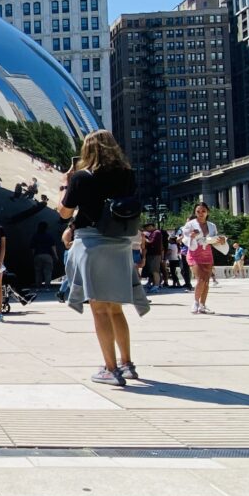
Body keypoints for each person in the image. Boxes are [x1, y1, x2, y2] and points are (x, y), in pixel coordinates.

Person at [58, 130, 149, 387]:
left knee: (99, 309)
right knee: (116, 308)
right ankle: (126, 364)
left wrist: (66, 184)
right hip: (120, 244)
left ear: (88, 150)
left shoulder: (81, 178)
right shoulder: (127, 175)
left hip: (93, 244)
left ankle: (110, 370)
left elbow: (64, 212)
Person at [181, 202, 228, 315]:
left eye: (203, 211)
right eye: (198, 211)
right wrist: (192, 237)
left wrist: (221, 240)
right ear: (195, 212)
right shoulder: (190, 224)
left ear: (207, 212)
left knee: (206, 281)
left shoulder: (211, 225)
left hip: (207, 252)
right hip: (194, 252)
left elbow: (214, 238)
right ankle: (196, 302)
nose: (201, 213)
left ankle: (202, 305)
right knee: (200, 279)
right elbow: (185, 239)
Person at [30, 221, 57, 291]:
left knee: (38, 272)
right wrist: (55, 256)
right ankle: (47, 287)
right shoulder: (49, 236)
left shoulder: (35, 236)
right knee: (48, 272)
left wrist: (33, 256)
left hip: (38, 255)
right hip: (48, 256)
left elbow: (33, 248)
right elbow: (53, 247)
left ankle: (38, 287)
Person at [141, 223, 163, 293]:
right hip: (151, 254)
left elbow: (151, 242)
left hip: (155, 254)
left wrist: (144, 238)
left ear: (151, 226)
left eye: (147, 228)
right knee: (152, 270)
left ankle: (156, 285)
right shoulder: (152, 233)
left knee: (155, 270)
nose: (146, 229)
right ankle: (154, 284)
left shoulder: (157, 233)